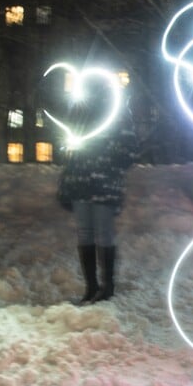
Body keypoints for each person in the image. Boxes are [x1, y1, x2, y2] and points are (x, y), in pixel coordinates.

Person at [57, 95, 139, 304]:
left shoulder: (118, 113)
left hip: (104, 183)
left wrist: (107, 158)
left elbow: (129, 151)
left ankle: (107, 287)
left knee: (103, 234)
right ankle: (91, 287)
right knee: (85, 233)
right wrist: (66, 181)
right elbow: (69, 150)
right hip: (80, 182)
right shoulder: (79, 111)